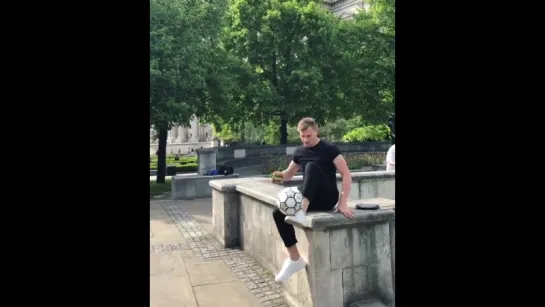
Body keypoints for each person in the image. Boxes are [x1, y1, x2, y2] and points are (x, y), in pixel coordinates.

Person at [271, 117, 354, 282]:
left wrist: (343, 202)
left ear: (316, 131)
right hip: (309, 197)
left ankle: (302, 209)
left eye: (309, 136)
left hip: (327, 197)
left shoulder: (330, 149)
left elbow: (346, 174)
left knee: (312, 167)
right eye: (302, 136)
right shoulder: (300, 151)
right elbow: (288, 174)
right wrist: (277, 176)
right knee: (277, 213)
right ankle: (295, 259)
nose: (305, 140)